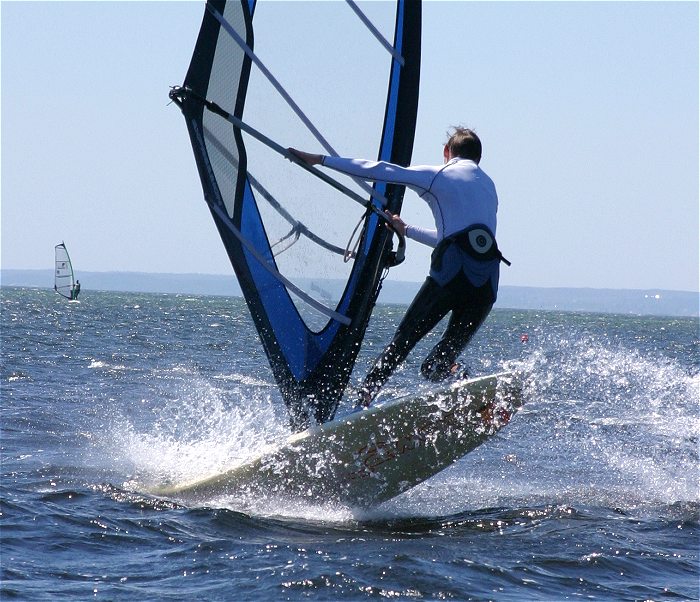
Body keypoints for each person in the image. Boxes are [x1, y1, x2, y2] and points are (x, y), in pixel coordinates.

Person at [289, 126, 506, 408]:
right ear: (479, 158)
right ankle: (461, 379)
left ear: (446, 153)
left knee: (401, 343)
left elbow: (382, 169)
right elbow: (457, 237)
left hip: (451, 276)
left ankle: (363, 401)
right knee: (436, 366)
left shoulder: (440, 174)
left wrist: (320, 159)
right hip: (487, 284)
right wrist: (407, 229)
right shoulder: (489, 187)